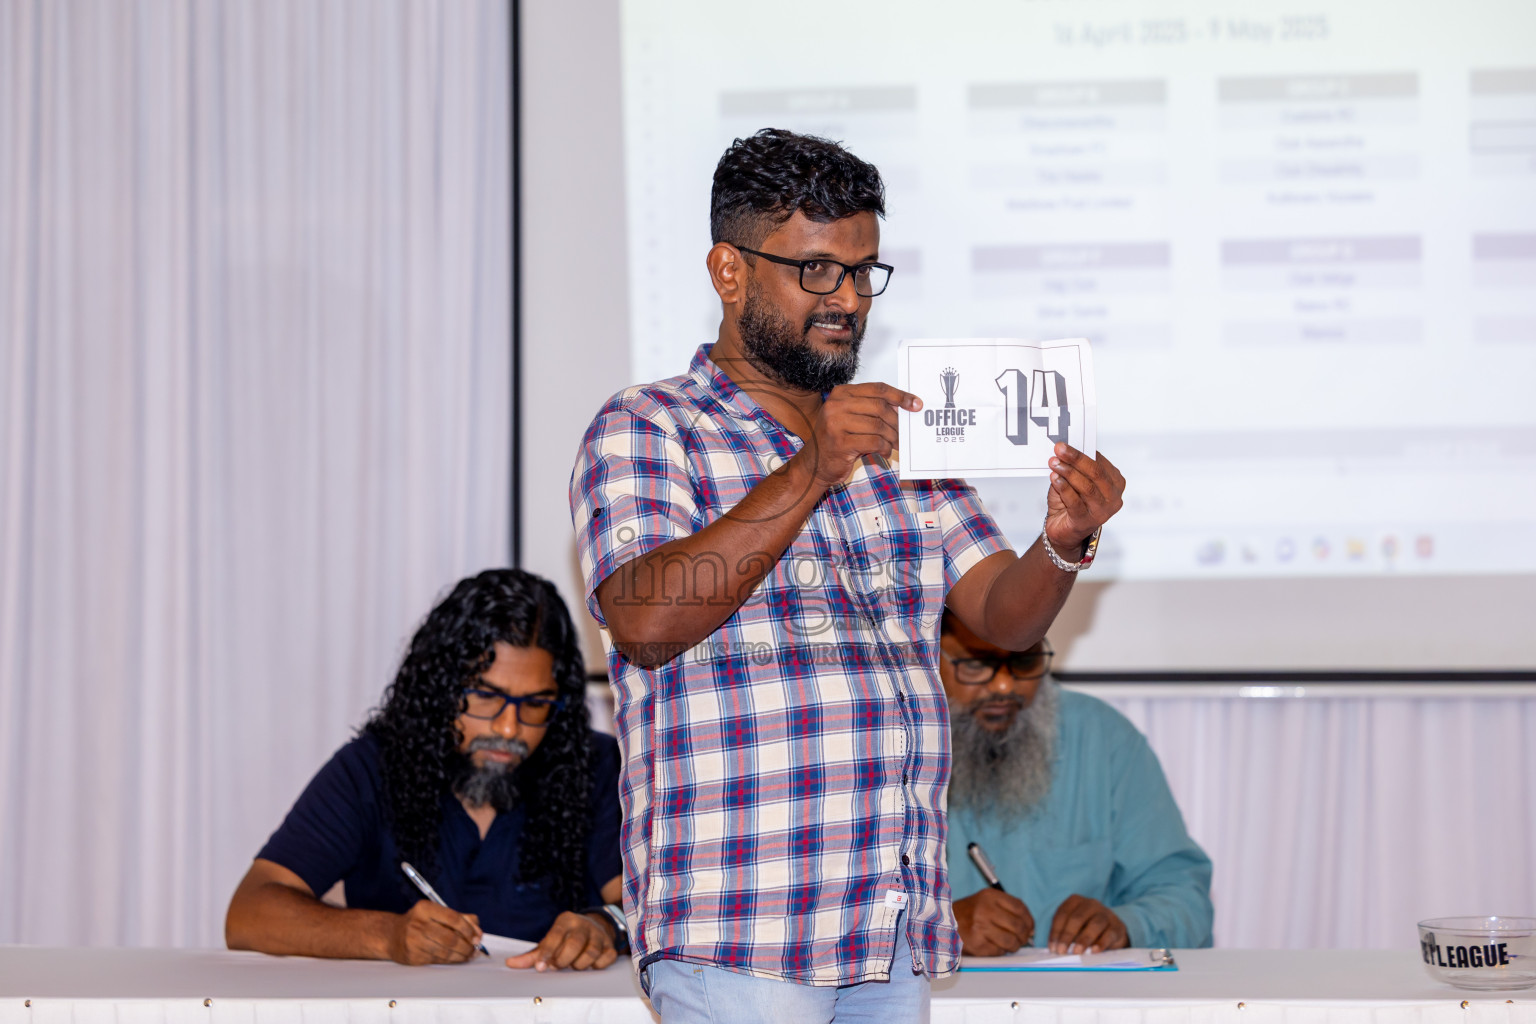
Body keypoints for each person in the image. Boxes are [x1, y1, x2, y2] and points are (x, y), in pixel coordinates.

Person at [570, 128, 1126, 1021]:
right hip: (741, 934)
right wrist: (812, 467)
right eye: (817, 271)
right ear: (730, 271)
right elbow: (641, 621)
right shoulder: (647, 427)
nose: (849, 300)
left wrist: (1063, 540)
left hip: (890, 931)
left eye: (865, 272)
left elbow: (1002, 619)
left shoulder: (905, 438)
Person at [226, 569, 626, 970]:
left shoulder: (595, 767)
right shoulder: (371, 769)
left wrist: (603, 925)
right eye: (486, 696)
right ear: (442, 689)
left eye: (536, 704)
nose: (509, 728)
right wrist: (388, 936)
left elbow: (646, 904)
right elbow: (250, 912)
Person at [941, 612, 1214, 956]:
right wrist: (936, 926)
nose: (1004, 686)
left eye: (1025, 662)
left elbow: (1186, 898)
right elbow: (853, 909)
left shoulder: (1104, 738)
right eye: (978, 665)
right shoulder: (882, 749)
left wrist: (1126, 925)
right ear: (926, 653)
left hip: (1084, 1002)